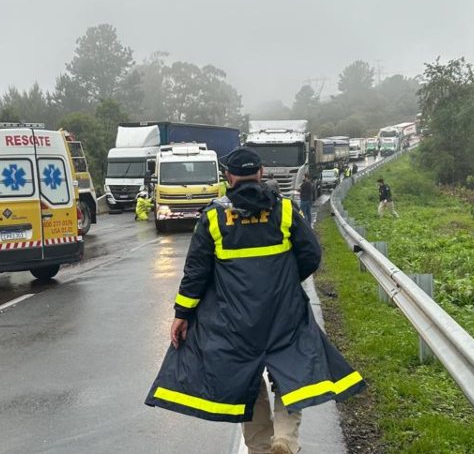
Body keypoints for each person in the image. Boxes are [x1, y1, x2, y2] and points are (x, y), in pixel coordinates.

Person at [146, 148, 364, 454]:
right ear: (260, 173)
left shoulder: (213, 217)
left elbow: (195, 273)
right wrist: (286, 281)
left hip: (235, 320)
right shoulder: (285, 210)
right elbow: (311, 255)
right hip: (283, 314)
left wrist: (183, 314)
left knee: (247, 378)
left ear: (229, 177)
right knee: (290, 371)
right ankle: (285, 440)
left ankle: (261, 447)